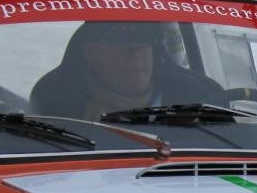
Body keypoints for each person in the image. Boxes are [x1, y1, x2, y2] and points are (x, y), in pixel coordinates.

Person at [28, 21, 226, 120]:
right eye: (118, 40)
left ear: (155, 50)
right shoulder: (56, 103)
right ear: (89, 52)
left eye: (143, 39)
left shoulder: (203, 97)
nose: (135, 52)